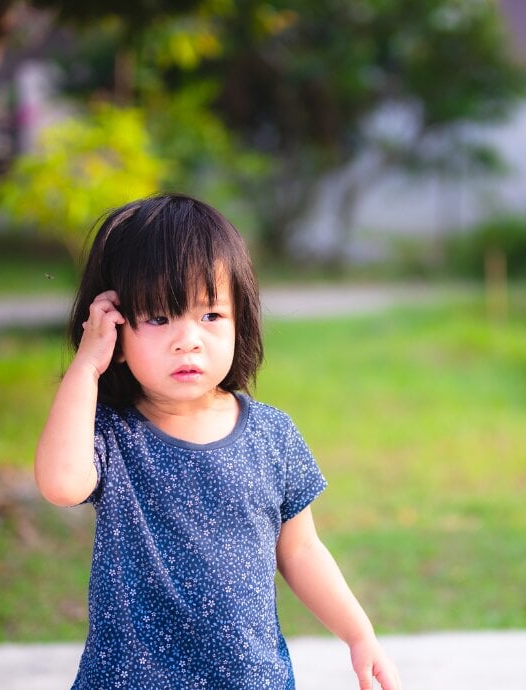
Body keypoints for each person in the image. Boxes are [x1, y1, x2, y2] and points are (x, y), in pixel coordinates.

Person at [35, 193, 402, 690]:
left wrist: (359, 634)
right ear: (116, 330)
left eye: (210, 316)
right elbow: (61, 484)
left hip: (249, 678)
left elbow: (300, 551)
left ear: (240, 320)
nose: (188, 339)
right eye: (160, 318)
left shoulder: (272, 435)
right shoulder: (110, 432)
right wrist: (87, 364)